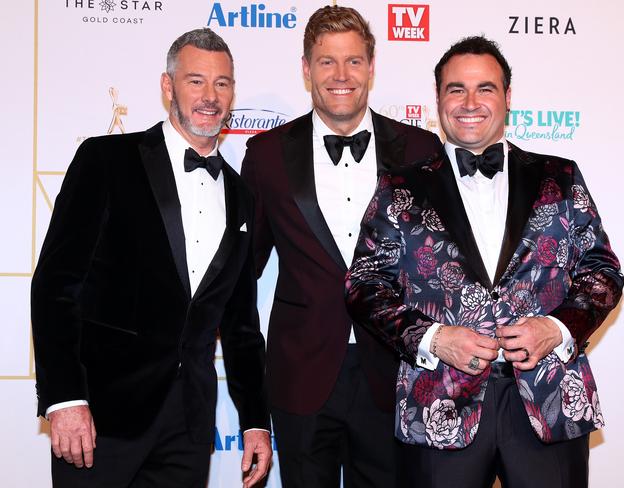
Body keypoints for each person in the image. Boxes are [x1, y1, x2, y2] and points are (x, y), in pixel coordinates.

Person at [345, 35, 624, 487]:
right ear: (438, 99)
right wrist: (433, 338)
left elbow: (602, 271)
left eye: (485, 88)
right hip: (439, 404)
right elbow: (364, 284)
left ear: (508, 97)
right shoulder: (400, 187)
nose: (470, 102)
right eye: (456, 89)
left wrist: (555, 328)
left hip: (548, 399)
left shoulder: (560, 176)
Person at [31, 28, 271, 488]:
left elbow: (241, 327)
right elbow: (55, 285)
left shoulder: (242, 196)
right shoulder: (106, 160)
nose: (210, 96)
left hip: (187, 425)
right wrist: (64, 399)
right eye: (196, 81)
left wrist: (255, 420)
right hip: (100, 417)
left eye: (222, 83)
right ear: (168, 87)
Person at [241, 5, 442, 488]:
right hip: (302, 373)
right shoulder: (267, 154)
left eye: (353, 61)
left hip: (396, 370)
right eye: (326, 61)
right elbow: (241, 271)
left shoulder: (420, 150)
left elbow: (441, 269)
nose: (341, 75)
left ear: (371, 69)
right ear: (306, 69)